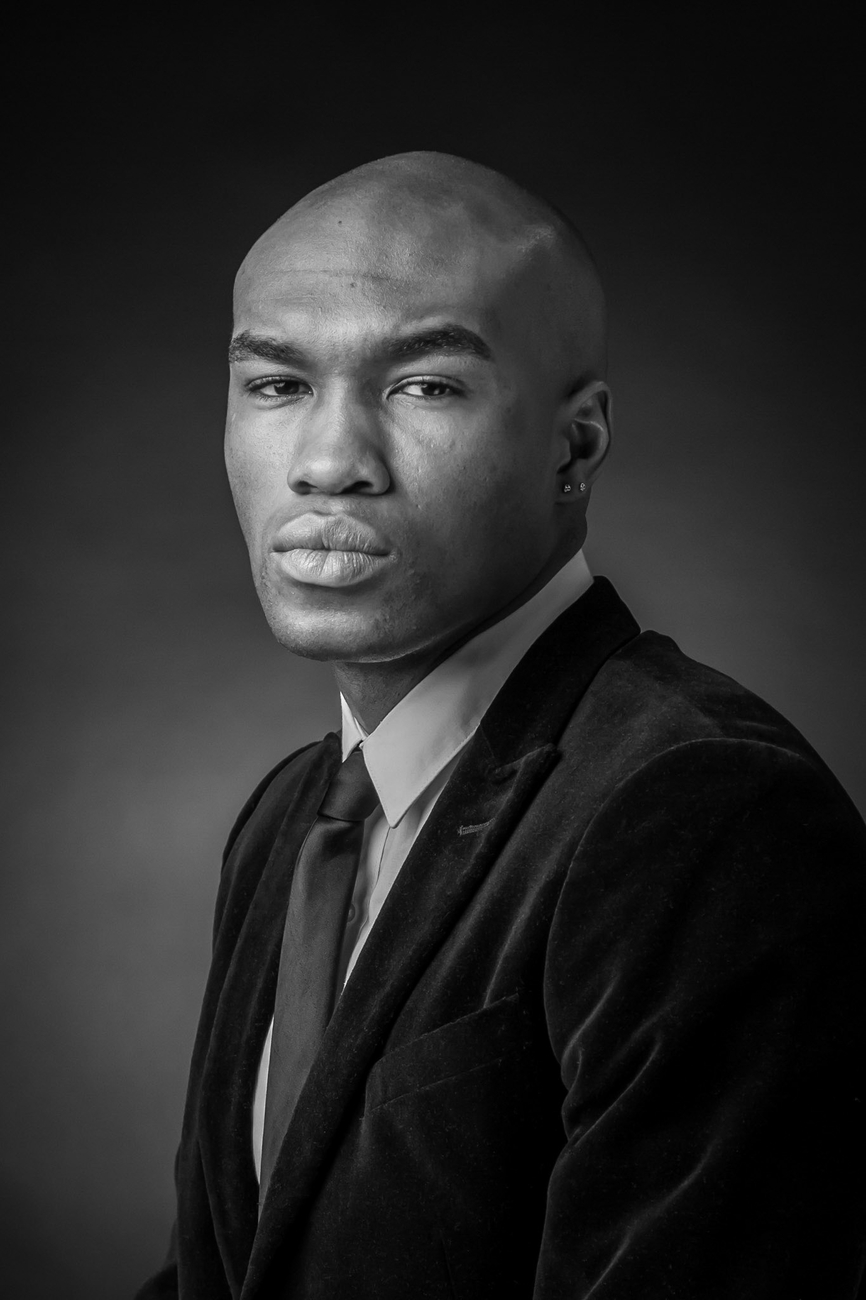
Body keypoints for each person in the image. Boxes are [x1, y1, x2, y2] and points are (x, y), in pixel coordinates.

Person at [137, 152, 866, 1299]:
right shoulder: (287, 819)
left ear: (573, 447)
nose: (327, 464)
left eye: (424, 386)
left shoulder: (705, 811)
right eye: (276, 384)